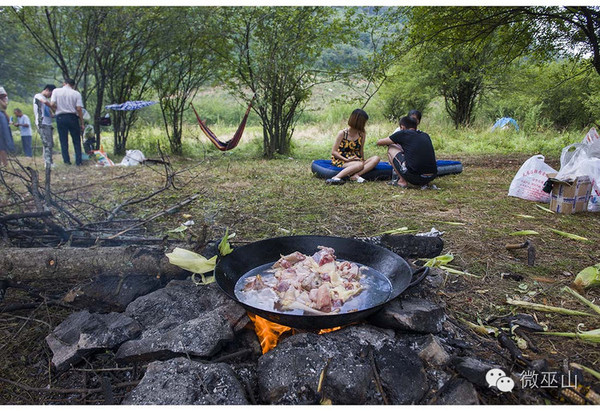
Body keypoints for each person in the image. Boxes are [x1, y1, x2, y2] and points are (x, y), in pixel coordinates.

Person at [377, 116, 437, 188]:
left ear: (402, 127)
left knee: (391, 148)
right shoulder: (425, 135)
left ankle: (402, 181)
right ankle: (424, 183)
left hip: (414, 177)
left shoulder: (403, 133)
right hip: (431, 176)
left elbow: (380, 142)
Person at [326, 108, 380, 185]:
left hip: (356, 160)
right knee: (359, 165)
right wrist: (346, 159)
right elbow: (334, 152)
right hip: (342, 160)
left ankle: (356, 175)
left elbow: (361, 150)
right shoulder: (342, 133)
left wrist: (362, 160)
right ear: (359, 122)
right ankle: (336, 178)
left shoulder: (362, 134)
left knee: (376, 158)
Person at [51, 78, 84, 165]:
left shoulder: (56, 91)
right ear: (73, 85)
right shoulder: (76, 93)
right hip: (73, 117)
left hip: (61, 117)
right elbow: (79, 108)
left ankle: (66, 161)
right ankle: (78, 161)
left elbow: (52, 104)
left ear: (64, 83)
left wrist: (56, 110)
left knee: (63, 140)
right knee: (76, 140)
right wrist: (82, 122)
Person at [34, 84, 56, 168]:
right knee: (47, 143)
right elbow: (45, 102)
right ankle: (47, 162)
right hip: (42, 123)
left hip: (48, 123)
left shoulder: (46, 99)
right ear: (47, 90)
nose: (51, 96)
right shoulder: (38, 96)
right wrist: (54, 107)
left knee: (50, 143)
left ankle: (49, 161)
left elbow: (51, 114)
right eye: (51, 94)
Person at [0, 86, 15, 167]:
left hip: (2, 119)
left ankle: (5, 164)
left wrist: (9, 120)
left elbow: (4, 108)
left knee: (2, 143)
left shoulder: (3, 101)